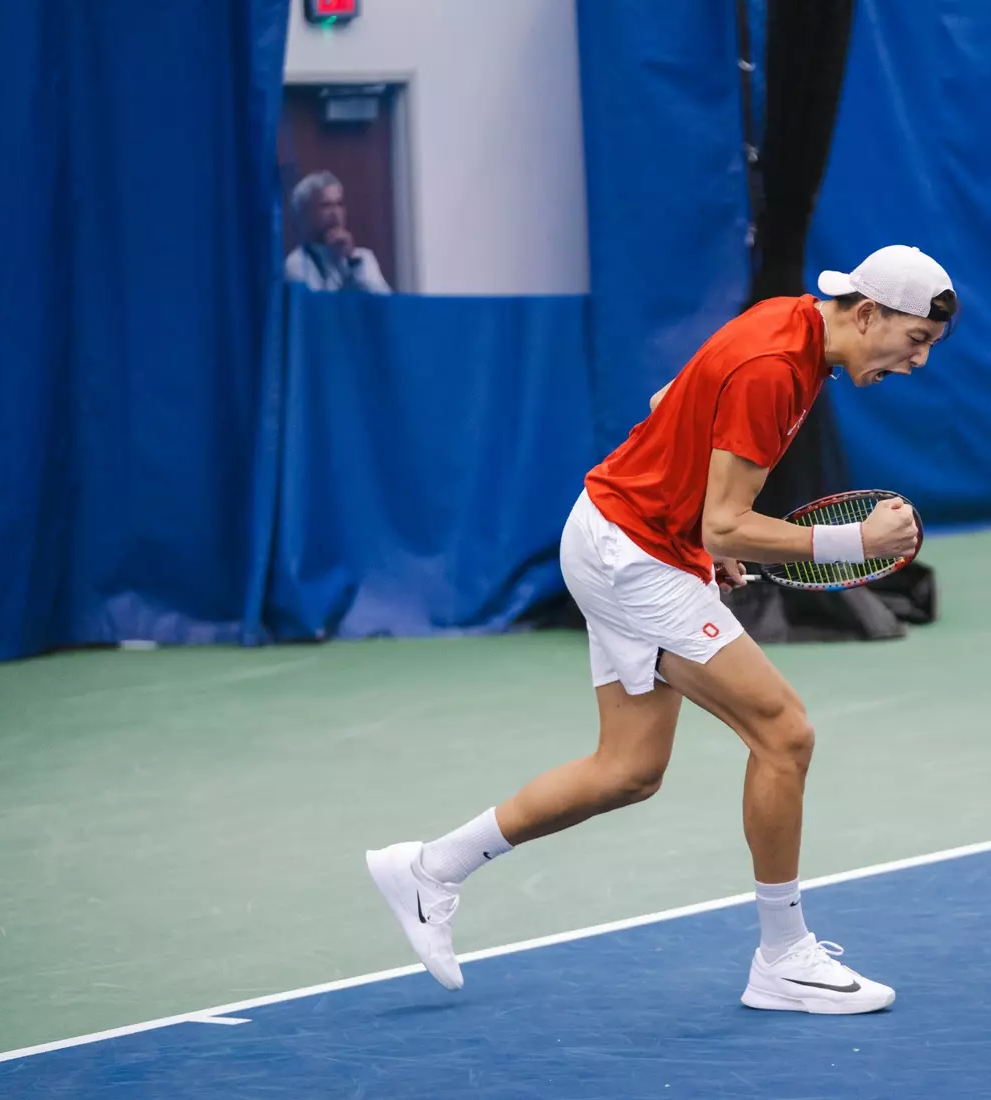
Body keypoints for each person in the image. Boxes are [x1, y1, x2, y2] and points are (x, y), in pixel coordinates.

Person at [367, 245, 960, 1014]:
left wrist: (709, 531)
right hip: (633, 555)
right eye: (914, 341)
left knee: (628, 769)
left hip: (623, 531)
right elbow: (725, 524)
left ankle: (430, 869)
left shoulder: (787, 323)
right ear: (868, 312)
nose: (916, 363)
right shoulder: (777, 368)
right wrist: (851, 544)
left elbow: (665, 402)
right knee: (785, 734)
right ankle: (783, 957)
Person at [284, 170, 392, 294]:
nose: (335, 213)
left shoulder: (362, 258)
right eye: (326, 206)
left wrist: (351, 261)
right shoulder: (297, 264)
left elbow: (383, 305)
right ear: (305, 214)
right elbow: (318, 309)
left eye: (339, 204)